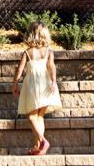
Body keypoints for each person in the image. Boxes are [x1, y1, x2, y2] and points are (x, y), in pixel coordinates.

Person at [12, 21, 61, 155]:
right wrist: (54, 82)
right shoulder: (48, 52)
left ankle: (42, 140)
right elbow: (52, 67)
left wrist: (15, 84)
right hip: (45, 85)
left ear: (31, 35)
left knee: (31, 117)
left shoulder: (27, 52)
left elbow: (20, 69)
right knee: (40, 117)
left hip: (33, 86)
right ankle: (38, 146)